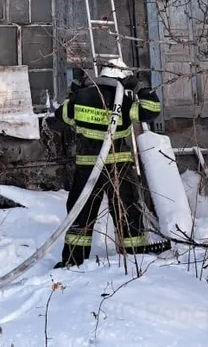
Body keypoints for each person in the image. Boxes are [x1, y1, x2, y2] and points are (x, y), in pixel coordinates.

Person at [47, 61, 163, 268]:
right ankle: (133, 250)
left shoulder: (81, 97)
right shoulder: (125, 103)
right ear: (123, 79)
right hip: (119, 167)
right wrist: (140, 88)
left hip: (87, 168)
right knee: (126, 209)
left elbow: (59, 119)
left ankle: (74, 259)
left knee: (81, 212)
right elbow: (151, 111)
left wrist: (75, 93)